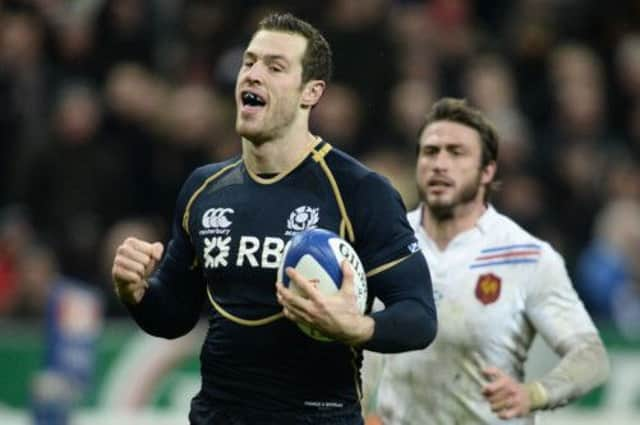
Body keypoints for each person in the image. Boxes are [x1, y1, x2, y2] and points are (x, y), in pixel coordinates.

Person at [111, 13, 437, 425]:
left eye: (274, 67)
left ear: (311, 92)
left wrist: (358, 327)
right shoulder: (203, 188)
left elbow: (420, 316)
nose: (252, 74)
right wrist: (136, 293)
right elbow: (173, 316)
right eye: (249, 62)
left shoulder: (359, 191)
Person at [365, 98, 608, 424]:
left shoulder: (526, 256)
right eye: (430, 151)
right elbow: (361, 348)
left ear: (487, 170)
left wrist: (533, 394)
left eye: (456, 152)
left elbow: (591, 357)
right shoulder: (386, 243)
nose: (439, 163)